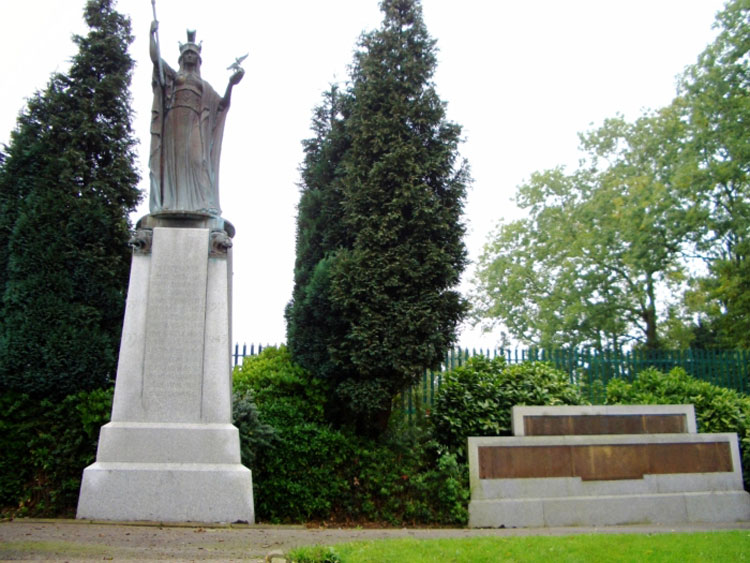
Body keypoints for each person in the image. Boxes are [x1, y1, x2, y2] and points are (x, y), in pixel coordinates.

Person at [148, 21, 244, 216]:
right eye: (187, 53)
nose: (190, 56)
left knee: (198, 160)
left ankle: (203, 203)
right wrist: (151, 35)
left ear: (199, 59)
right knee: (173, 163)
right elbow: (155, 58)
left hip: (194, 123)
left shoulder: (204, 85)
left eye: (193, 54)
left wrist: (231, 84)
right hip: (174, 122)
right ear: (182, 58)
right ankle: (171, 203)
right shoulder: (174, 77)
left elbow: (221, 105)